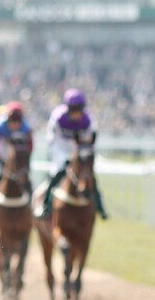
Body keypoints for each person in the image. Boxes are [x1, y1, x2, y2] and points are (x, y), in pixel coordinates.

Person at [34, 88, 109, 220]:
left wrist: (82, 153)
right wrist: (63, 158)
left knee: (88, 175)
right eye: (73, 110)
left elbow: (91, 142)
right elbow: (52, 140)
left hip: (79, 149)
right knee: (57, 171)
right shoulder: (58, 117)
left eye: (78, 110)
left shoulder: (89, 120)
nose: (76, 114)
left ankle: (100, 206)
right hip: (61, 147)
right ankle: (45, 204)